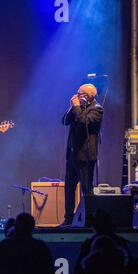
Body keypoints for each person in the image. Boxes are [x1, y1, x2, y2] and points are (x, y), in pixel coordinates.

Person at [61, 83, 103, 227]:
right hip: (72, 155)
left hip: (86, 156)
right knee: (69, 189)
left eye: (81, 94)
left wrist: (76, 107)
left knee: (86, 189)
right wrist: (71, 107)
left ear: (90, 96)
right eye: (77, 93)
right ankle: (68, 219)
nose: (77, 96)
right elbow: (65, 121)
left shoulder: (97, 110)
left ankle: (90, 221)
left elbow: (83, 121)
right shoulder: (78, 108)